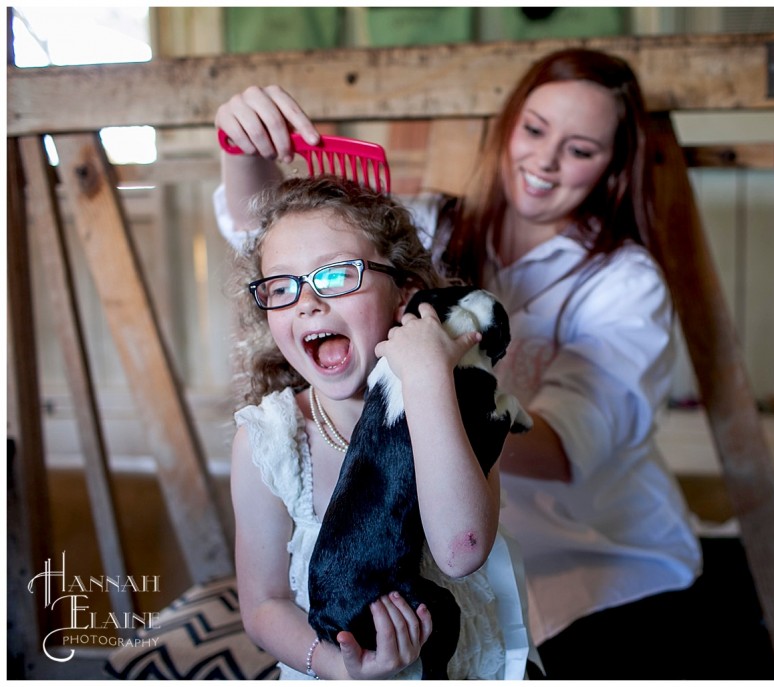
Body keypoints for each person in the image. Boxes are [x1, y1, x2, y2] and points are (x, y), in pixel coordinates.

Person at [215, 48, 703, 679]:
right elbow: (282, 244)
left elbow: (568, 449)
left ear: (613, 167)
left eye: (581, 149)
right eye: (534, 130)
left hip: (596, 562)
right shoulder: (433, 226)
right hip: (418, 573)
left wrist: (424, 397)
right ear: (507, 129)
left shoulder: (624, 282)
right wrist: (243, 150)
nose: (546, 161)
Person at [227, 175, 534, 680]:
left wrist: (430, 377)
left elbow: (462, 551)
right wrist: (347, 669)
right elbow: (264, 605)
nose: (307, 301)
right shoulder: (271, 439)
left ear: (405, 296)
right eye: (281, 286)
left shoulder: (462, 412)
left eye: (335, 275)